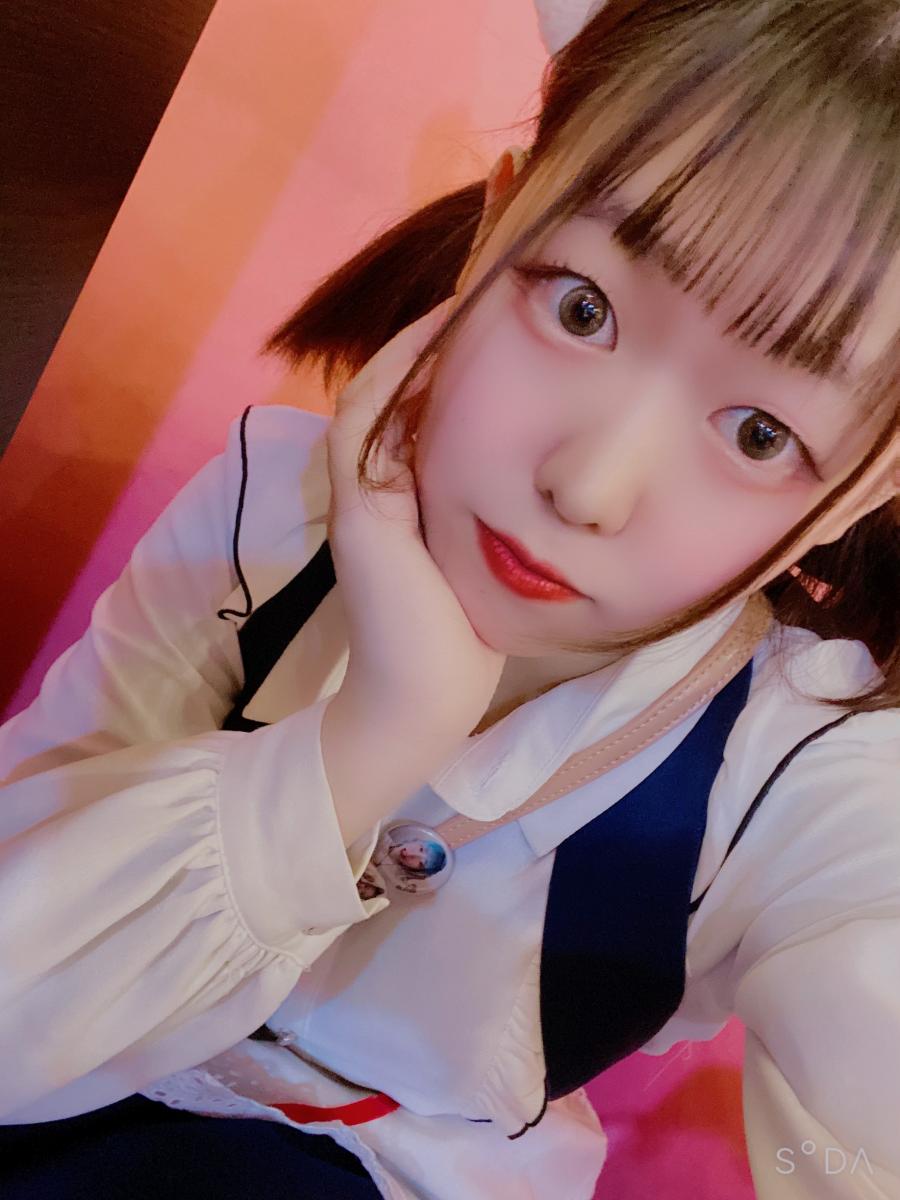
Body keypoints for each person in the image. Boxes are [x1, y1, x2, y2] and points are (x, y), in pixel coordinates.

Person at [0, 1, 898, 1197]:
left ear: (861, 491)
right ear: (493, 229)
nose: (588, 486)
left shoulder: (800, 777)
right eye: (582, 308)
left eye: (759, 433)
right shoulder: (271, 517)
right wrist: (377, 731)